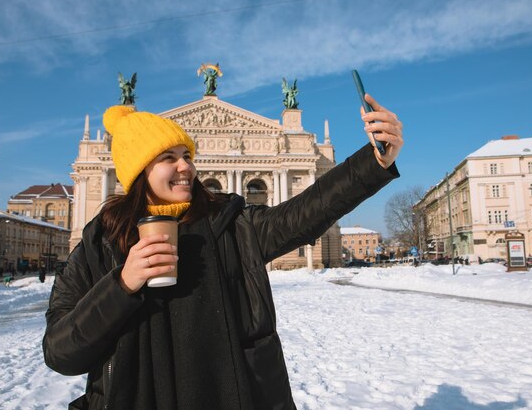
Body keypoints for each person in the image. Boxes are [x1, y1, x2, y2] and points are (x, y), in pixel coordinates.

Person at [43, 93, 403, 410]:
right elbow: (61, 351)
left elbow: (303, 214)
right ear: (138, 170)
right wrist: (121, 284)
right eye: (169, 157)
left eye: (187, 155)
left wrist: (374, 163)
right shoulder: (99, 242)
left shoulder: (231, 225)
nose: (186, 166)